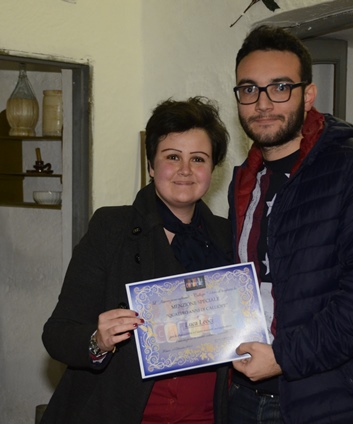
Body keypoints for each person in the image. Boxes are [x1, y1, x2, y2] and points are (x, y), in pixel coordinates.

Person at [228, 26, 353, 423]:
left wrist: (284, 357)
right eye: (249, 89)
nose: (262, 103)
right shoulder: (245, 179)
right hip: (246, 397)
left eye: (280, 87)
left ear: (308, 95)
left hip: (334, 401)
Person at [41, 96, 231, 423]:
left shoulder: (229, 236)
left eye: (198, 159)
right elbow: (57, 333)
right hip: (125, 412)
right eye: (172, 156)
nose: (185, 170)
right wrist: (97, 340)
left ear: (212, 169)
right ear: (151, 166)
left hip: (207, 414)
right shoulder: (111, 229)